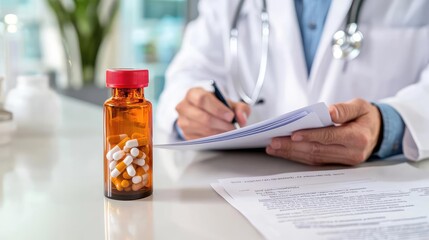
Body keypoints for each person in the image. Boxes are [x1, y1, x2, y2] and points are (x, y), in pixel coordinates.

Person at [157, 0, 429, 165]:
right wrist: (194, 111)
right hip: (251, 191)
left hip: (381, 187)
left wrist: (387, 125)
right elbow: (187, 74)